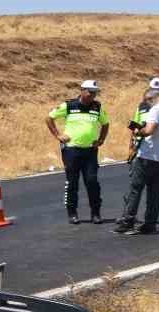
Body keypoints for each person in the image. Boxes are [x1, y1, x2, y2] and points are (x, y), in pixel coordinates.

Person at [114, 78, 159, 235]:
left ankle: (128, 221)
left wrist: (139, 131)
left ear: (151, 98)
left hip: (147, 156)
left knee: (135, 189)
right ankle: (150, 223)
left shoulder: (155, 110)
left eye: (147, 101)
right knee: (154, 193)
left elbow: (149, 130)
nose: (147, 104)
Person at [46, 80, 111, 225]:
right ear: (82, 90)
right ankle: (72, 213)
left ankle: (96, 213)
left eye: (95, 93)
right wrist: (58, 135)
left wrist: (101, 140)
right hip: (71, 150)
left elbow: (105, 124)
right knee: (72, 182)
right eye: (90, 92)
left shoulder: (97, 107)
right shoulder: (69, 105)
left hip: (90, 150)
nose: (93, 95)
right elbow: (49, 118)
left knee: (92, 181)